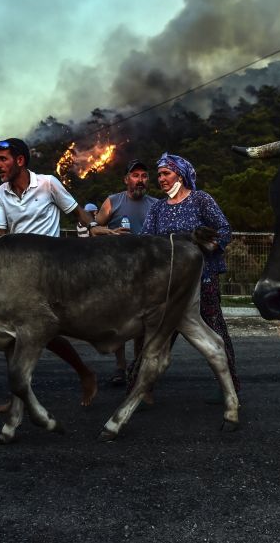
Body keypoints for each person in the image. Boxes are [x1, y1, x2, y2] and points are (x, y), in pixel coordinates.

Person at [0, 137, 98, 411]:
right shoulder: (1, 193)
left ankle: (84, 373)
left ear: (20, 160)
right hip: (18, 272)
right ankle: (18, 395)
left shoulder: (49, 183)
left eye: (3, 159)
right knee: (12, 335)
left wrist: (96, 229)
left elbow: (77, 214)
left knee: (38, 330)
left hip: (50, 269)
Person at [136, 152, 239, 401]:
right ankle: (139, 388)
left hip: (203, 279)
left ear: (179, 175)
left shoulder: (200, 200)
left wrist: (209, 245)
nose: (160, 178)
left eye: (165, 173)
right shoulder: (158, 208)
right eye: (159, 174)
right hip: (169, 283)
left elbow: (224, 229)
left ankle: (231, 388)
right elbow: (145, 241)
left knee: (214, 331)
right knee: (159, 334)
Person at [91, 159, 158, 385]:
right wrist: (110, 233)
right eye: (135, 175)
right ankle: (120, 367)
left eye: (144, 176)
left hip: (146, 274)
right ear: (126, 179)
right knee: (120, 323)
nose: (140, 180)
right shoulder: (113, 201)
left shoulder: (156, 205)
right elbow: (94, 230)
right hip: (117, 274)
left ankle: (137, 366)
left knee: (142, 324)